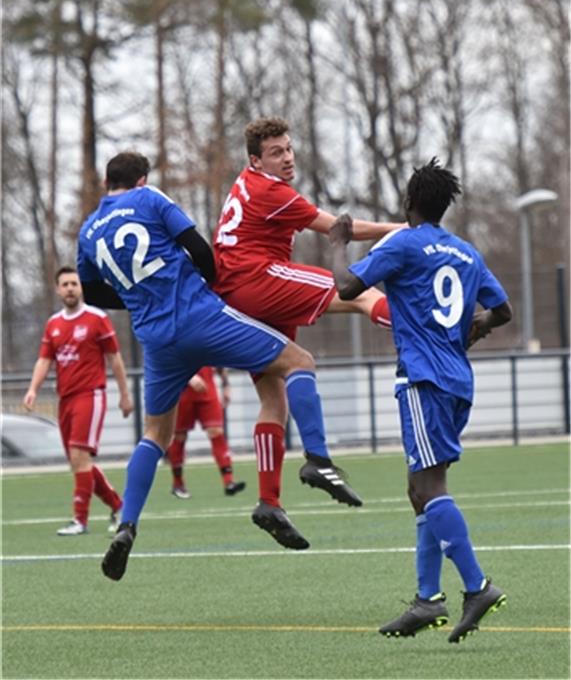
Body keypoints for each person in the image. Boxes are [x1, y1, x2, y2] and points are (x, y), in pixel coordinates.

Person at [77, 151, 356, 581]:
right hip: (199, 315)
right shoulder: (149, 198)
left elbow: (94, 293)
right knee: (298, 362)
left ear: (107, 183)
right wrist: (206, 284)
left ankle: (128, 525)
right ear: (140, 179)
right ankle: (317, 458)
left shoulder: (88, 231)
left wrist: (137, 299)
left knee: (156, 434)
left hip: (154, 337)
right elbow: (197, 246)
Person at [329, 157, 513, 644]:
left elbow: (347, 287)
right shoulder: (467, 252)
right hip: (457, 381)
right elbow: (504, 310)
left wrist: (339, 245)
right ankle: (427, 599)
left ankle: (477, 586)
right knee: (421, 490)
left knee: (428, 488)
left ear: (409, 202)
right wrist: (479, 326)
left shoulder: (404, 244)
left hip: (423, 380)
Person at [213, 116, 402, 514]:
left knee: (273, 399)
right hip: (257, 281)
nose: (286, 158)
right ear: (255, 160)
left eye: (288, 148)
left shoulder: (246, 183)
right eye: (275, 152)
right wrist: (403, 228)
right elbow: (340, 229)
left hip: (234, 293)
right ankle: (318, 458)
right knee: (362, 294)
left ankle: (269, 503)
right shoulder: (269, 190)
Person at [23, 266, 134, 536]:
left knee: (78, 456)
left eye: (74, 283)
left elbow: (115, 359)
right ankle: (118, 506)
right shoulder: (54, 324)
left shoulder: (97, 318)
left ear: (80, 287)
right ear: (58, 289)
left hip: (91, 394)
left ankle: (80, 520)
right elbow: (44, 360)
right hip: (66, 399)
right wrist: (33, 389)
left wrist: (124, 394)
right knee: (78, 462)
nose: (70, 288)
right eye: (65, 284)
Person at [166, 367, 246, 499]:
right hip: (182, 392)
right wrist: (189, 377)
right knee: (180, 436)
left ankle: (229, 481)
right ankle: (178, 483)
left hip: (208, 390)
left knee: (216, 432)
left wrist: (226, 385)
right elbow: (167, 358)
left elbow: (219, 357)